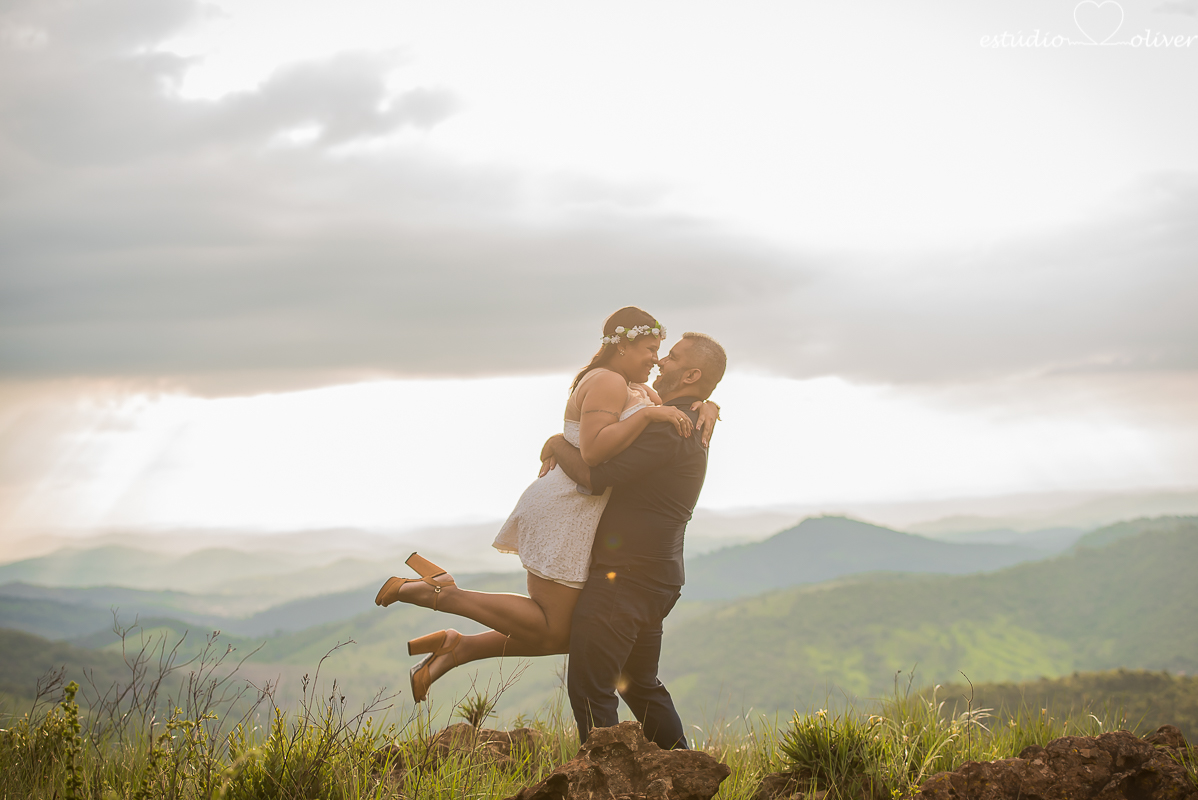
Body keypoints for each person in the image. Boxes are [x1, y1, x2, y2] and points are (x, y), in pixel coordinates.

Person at [374, 307, 721, 703]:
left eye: (665, 353)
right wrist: (579, 436)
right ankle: (441, 594)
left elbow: (676, 404)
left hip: (579, 509)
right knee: (559, 627)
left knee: (566, 632)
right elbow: (591, 457)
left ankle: (459, 646)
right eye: (651, 348)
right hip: (567, 505)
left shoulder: (636, 387)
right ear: (622, 346)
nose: (658, 358)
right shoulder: (609, 381)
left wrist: (710, 406)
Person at [543, 331, 726, 749]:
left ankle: (607, 786)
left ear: (691, 374)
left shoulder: (669, 429)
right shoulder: (689, 417)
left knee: (592, 693)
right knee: (639, 685)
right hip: (657, 577)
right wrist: (712, 404)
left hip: (624, 579)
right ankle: (684, 775)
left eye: (673, 357)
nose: (662, 361)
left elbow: (594, 476)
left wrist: (556, 442)